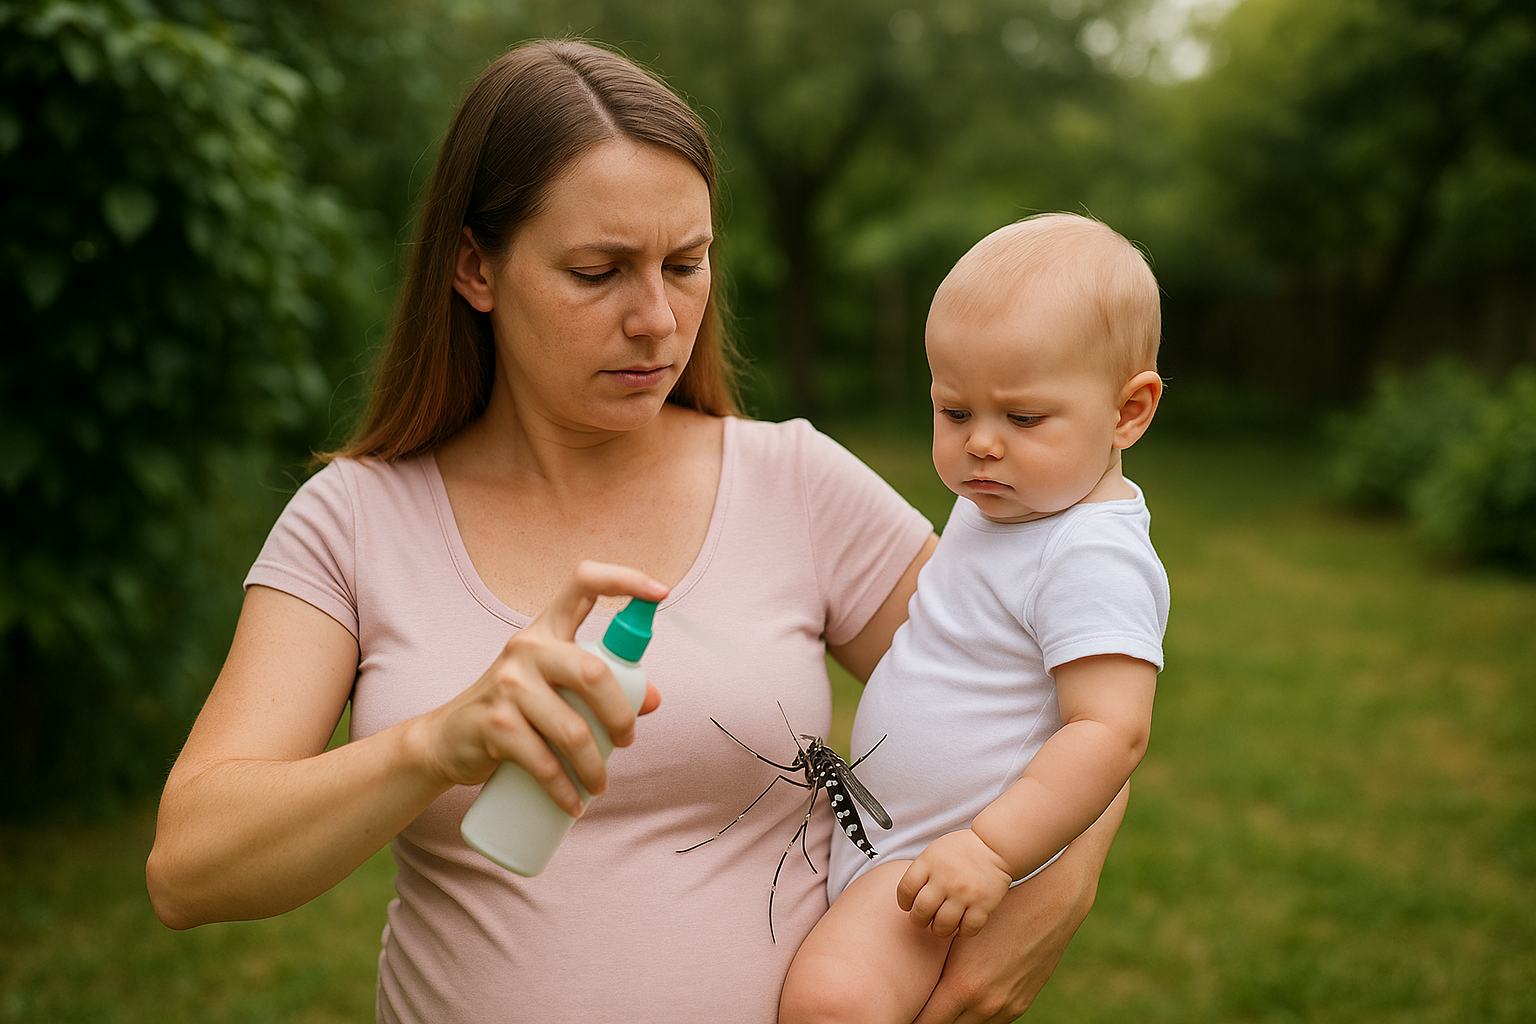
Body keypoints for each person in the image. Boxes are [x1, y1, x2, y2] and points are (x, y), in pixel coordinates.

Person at [145, 41, 1127, 1024]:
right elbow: (189, 870)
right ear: (475, 267)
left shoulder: (793, 482)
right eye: (598, 271)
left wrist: (1052, 888)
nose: (658, 320)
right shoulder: (355, 520)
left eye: (685, 264)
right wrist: (436, 745)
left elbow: (1071, 696)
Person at [780, 213, 1169, 1024]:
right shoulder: (1005, 508)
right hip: (902, 840)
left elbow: (1110, 731)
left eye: (1022, 419)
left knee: (831, 1003)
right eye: (954, 413)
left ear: (1129, 412)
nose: (981, 446)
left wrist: (991, 851)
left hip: (951, 854)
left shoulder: (1090, 553)